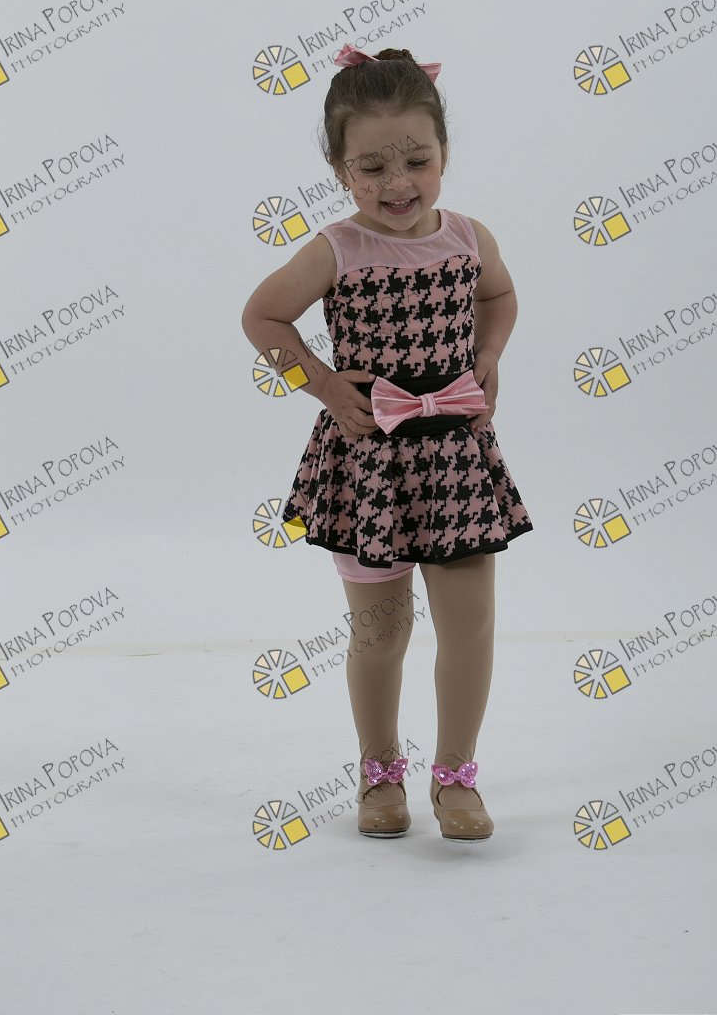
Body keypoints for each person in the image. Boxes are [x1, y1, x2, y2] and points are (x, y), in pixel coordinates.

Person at [241, 42, 533, 842]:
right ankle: (379, 771)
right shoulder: (339, 248)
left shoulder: (469, 237)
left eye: (417, 161)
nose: (397, 184)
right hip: (369, 460)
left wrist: (489, 355)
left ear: (445, 152)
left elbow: (501, 297)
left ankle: (456, 776)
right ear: (340, 169)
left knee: (470, 624)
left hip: (455, 455)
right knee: (382, 631)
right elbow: (262, 315)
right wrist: (323, 385)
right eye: (371, 168)